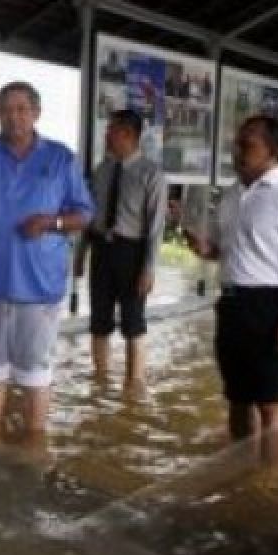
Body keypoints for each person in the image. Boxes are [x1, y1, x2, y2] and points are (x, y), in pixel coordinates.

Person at [0, 83, 94, 436]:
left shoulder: (61, 157)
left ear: (36, 113)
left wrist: (52, 222)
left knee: (35, 373)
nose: (12, 116)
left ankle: (34, 446)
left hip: (40, 284)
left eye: (20, 109)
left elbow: (85, 214)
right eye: (5, 110)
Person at [185, 115, 278, 470]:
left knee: (272, 401)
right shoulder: (232, 195)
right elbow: (228, 250)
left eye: (247, 145)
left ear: (273, 151)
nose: (237, 151)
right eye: (236, 144)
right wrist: (207, 249)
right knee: (238, 397)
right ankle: (243, 471)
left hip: (270, 306)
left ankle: (269, 483)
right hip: (231, 304)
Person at [81, 109, 167, 388]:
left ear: (129, 134)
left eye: (111, 130)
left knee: (133, 322)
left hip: (132, 253)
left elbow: (156, 228)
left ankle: (134, 386)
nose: (106, 135)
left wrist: (149, 269)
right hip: (101, 251)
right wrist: (81, 254)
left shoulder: (151, 174)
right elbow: (89, 214)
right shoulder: (102, 169)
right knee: (99, 320)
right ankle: (100, 382)